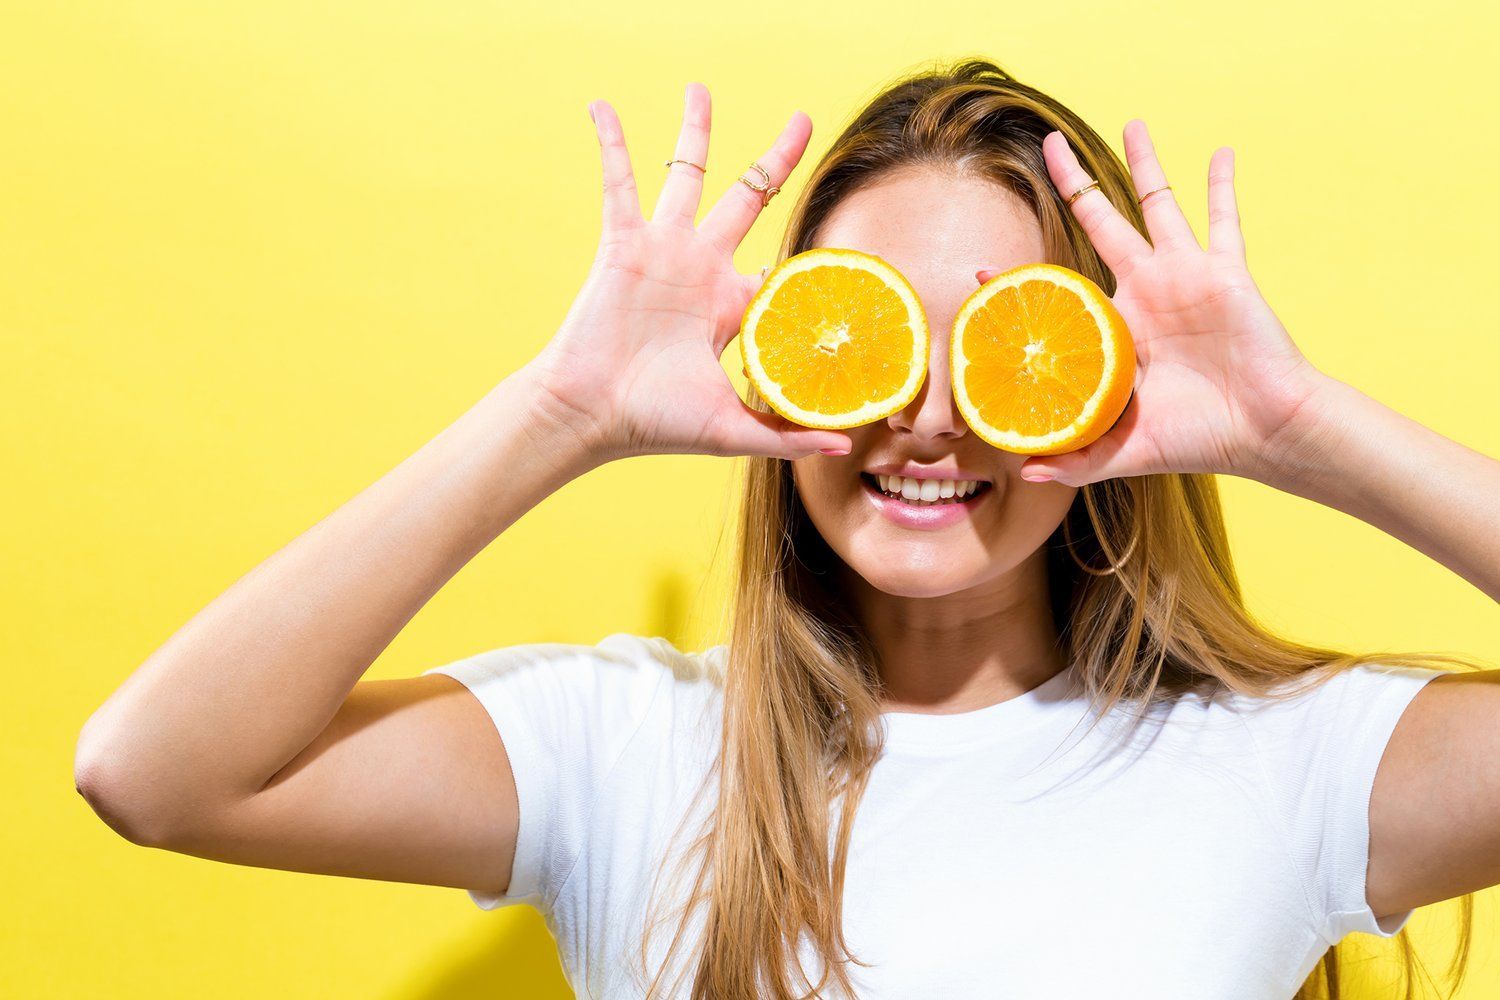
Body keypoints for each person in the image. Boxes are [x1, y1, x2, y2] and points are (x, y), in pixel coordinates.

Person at [73, 58, 1499, 1000]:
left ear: (1100, 376)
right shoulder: (620, 746)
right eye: (869, 336)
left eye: (1001, 349)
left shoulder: (1288, 762)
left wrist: (1297, 425)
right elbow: (153, 773)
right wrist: (560, 411)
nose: (927, 418)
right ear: (780, 356)